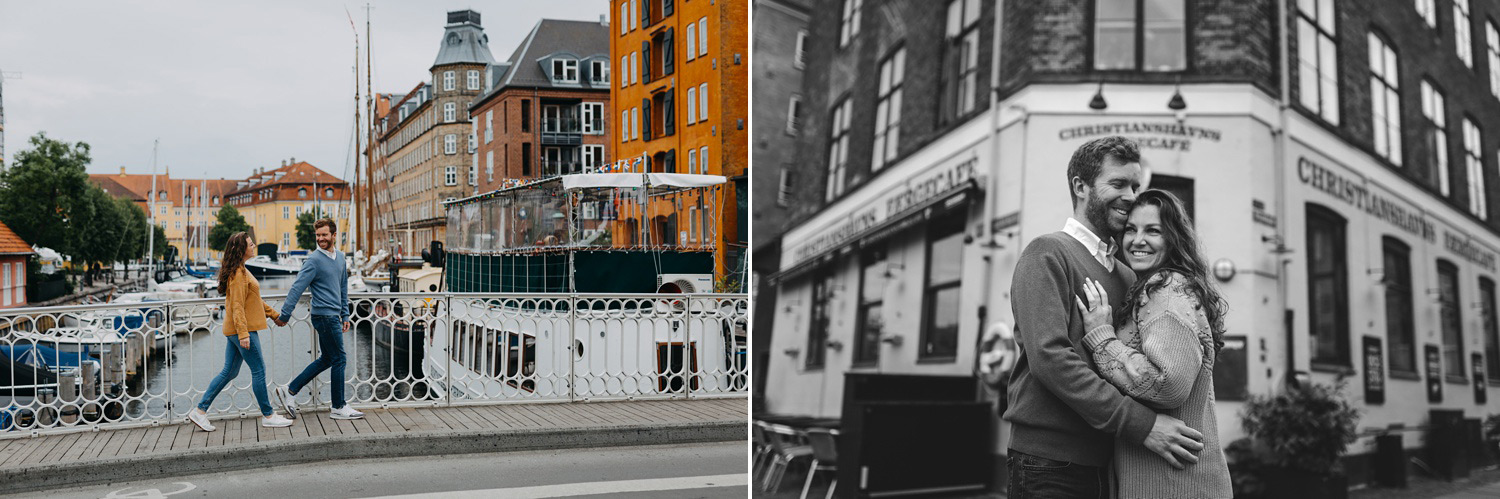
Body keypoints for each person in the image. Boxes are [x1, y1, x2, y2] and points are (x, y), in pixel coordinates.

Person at [1006, 136, 1204, 499]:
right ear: (1080, 187)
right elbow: (1051, 360)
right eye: (1117, 184)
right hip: (1049, 462)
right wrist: (1142, 425)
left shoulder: (1128, 275)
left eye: (1134, 185)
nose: (1130, 196)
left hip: (1111, 461)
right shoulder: (1047, 253)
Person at [1076, 189, 1232, 498]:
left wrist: (1102, 338)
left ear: (1173, 239)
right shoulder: (1154, 287)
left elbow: (1168, 384)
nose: (1137, 240)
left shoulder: (1166, 289)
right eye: (1131, 229)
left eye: (1153, 231)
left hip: (1173, 484)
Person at [187, 232, 294, 431]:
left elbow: (253, 300)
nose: (254, 246)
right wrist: (244, 334)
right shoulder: (238, 274)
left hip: (235, 329)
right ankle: (268, 415)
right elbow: (237, 306)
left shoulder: (243, 270)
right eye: (251, 244)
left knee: (230, 372)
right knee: (259, 370)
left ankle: (200, 411)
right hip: (241, 330)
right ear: (241, 249)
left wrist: (274, 315)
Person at [272, 218, 363, 420]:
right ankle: (338, 406)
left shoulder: (340, 258)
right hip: (323, 316)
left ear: (333, 235)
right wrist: (285, 314)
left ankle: (290, 389)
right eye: (318, 235)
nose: (321, 239)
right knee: (340, 358)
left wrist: (345, 313)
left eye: (324, 235)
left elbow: (342, 287)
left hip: (334, 315)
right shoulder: (313, 260)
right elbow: (297, 287)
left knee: (328, 359)